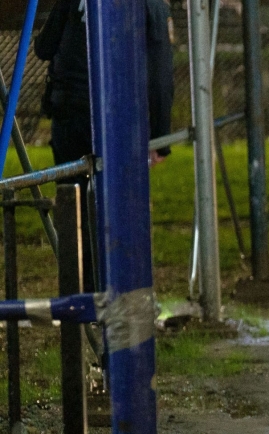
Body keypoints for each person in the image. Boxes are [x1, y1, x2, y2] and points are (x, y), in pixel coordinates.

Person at [34, 0, 175, 292]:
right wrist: (160, 138)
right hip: (117, 116)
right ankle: (117, 293)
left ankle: (78, 297)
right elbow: (160, 72)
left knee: (73, 202)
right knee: (118, 204)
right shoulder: (151, 5)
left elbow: (43, 47)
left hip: (69, 113)